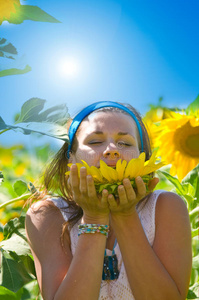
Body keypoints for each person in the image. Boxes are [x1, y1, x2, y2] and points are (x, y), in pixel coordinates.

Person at [25, 101, 192, 300]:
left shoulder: (166, 207)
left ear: (142, 157)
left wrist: (125, 215)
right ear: (71, 158)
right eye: (95, 142)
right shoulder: (47, 214)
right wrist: (94, 218)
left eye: (125, 143)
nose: (112, 150)